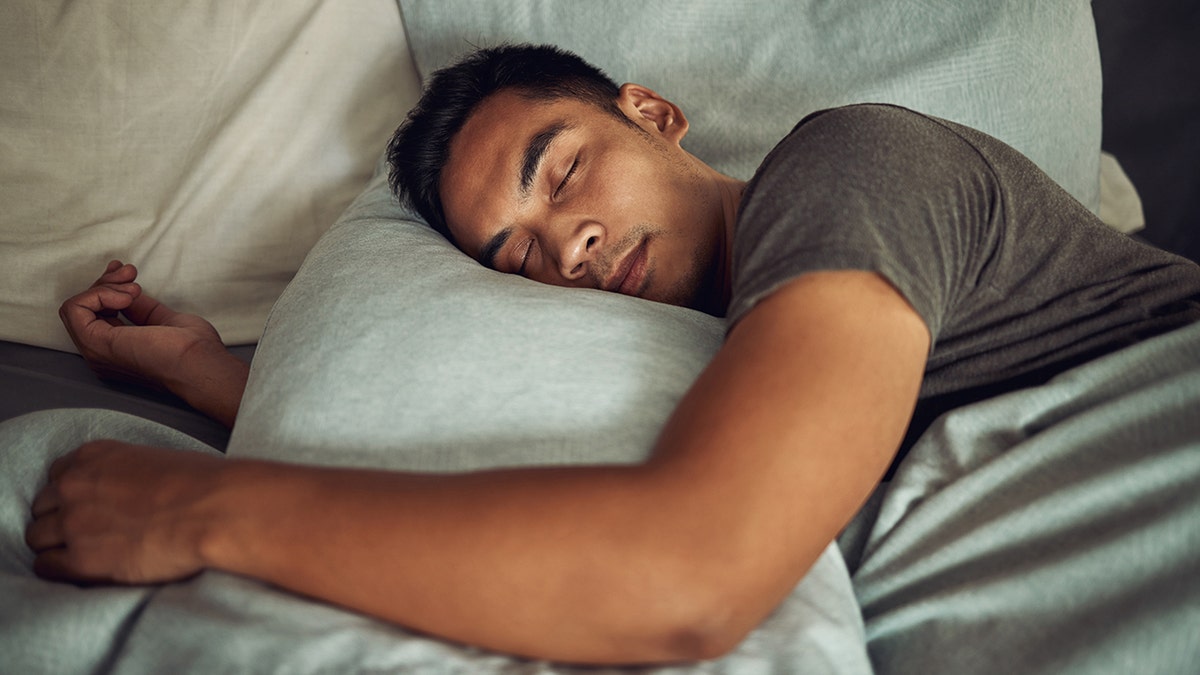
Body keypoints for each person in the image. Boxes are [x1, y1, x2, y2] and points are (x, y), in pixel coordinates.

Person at [24, 44, 1200, 665]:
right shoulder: (718, 337)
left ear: (654, 113)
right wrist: (221, 381)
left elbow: (692, 578)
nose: (569, 246)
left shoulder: (845, 169)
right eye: (519, 254)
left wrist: (207, 512)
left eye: (563, 170)